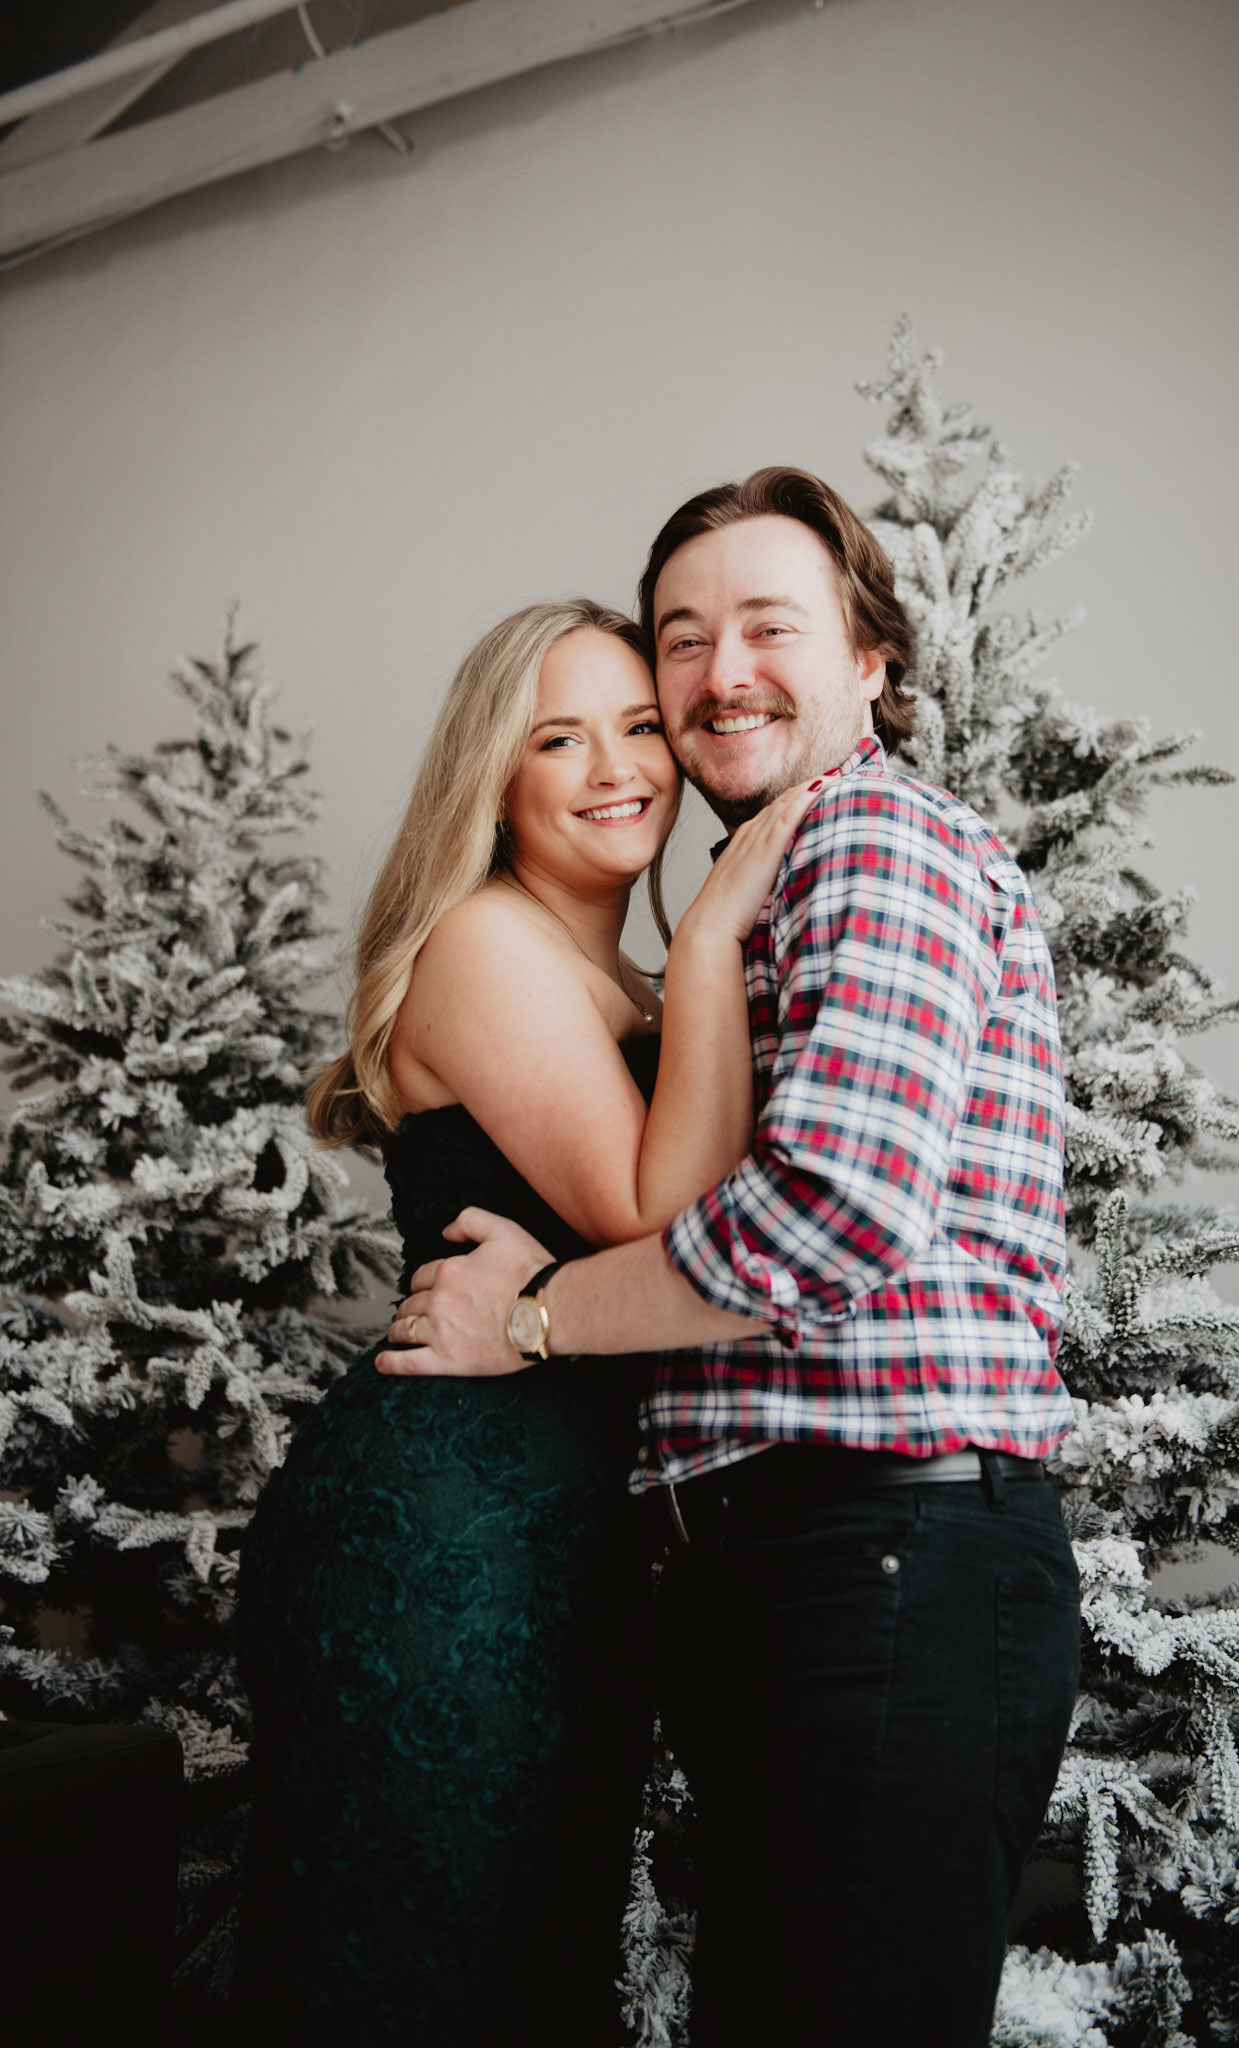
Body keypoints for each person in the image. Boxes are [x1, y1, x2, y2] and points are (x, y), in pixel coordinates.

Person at [378, 469, 1083, 2048]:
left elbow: (826, 1214)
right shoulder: (764, 885)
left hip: (882, 1547)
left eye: (770, 626)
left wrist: (535, 1318)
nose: (717, 674)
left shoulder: (872, 847)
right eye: (682, 639)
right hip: (801, 1560)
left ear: (870, 661)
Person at [231, 596, 817, 2047]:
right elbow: (657, 1213)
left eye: (639, 726)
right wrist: (714, 935)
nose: (617, 768)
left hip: (577, 1541)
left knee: (533, 1978)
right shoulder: (488, 943)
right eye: (559, 739)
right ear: (494, 779)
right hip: (445, 1539)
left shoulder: (623, 981)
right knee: (425, 1982)